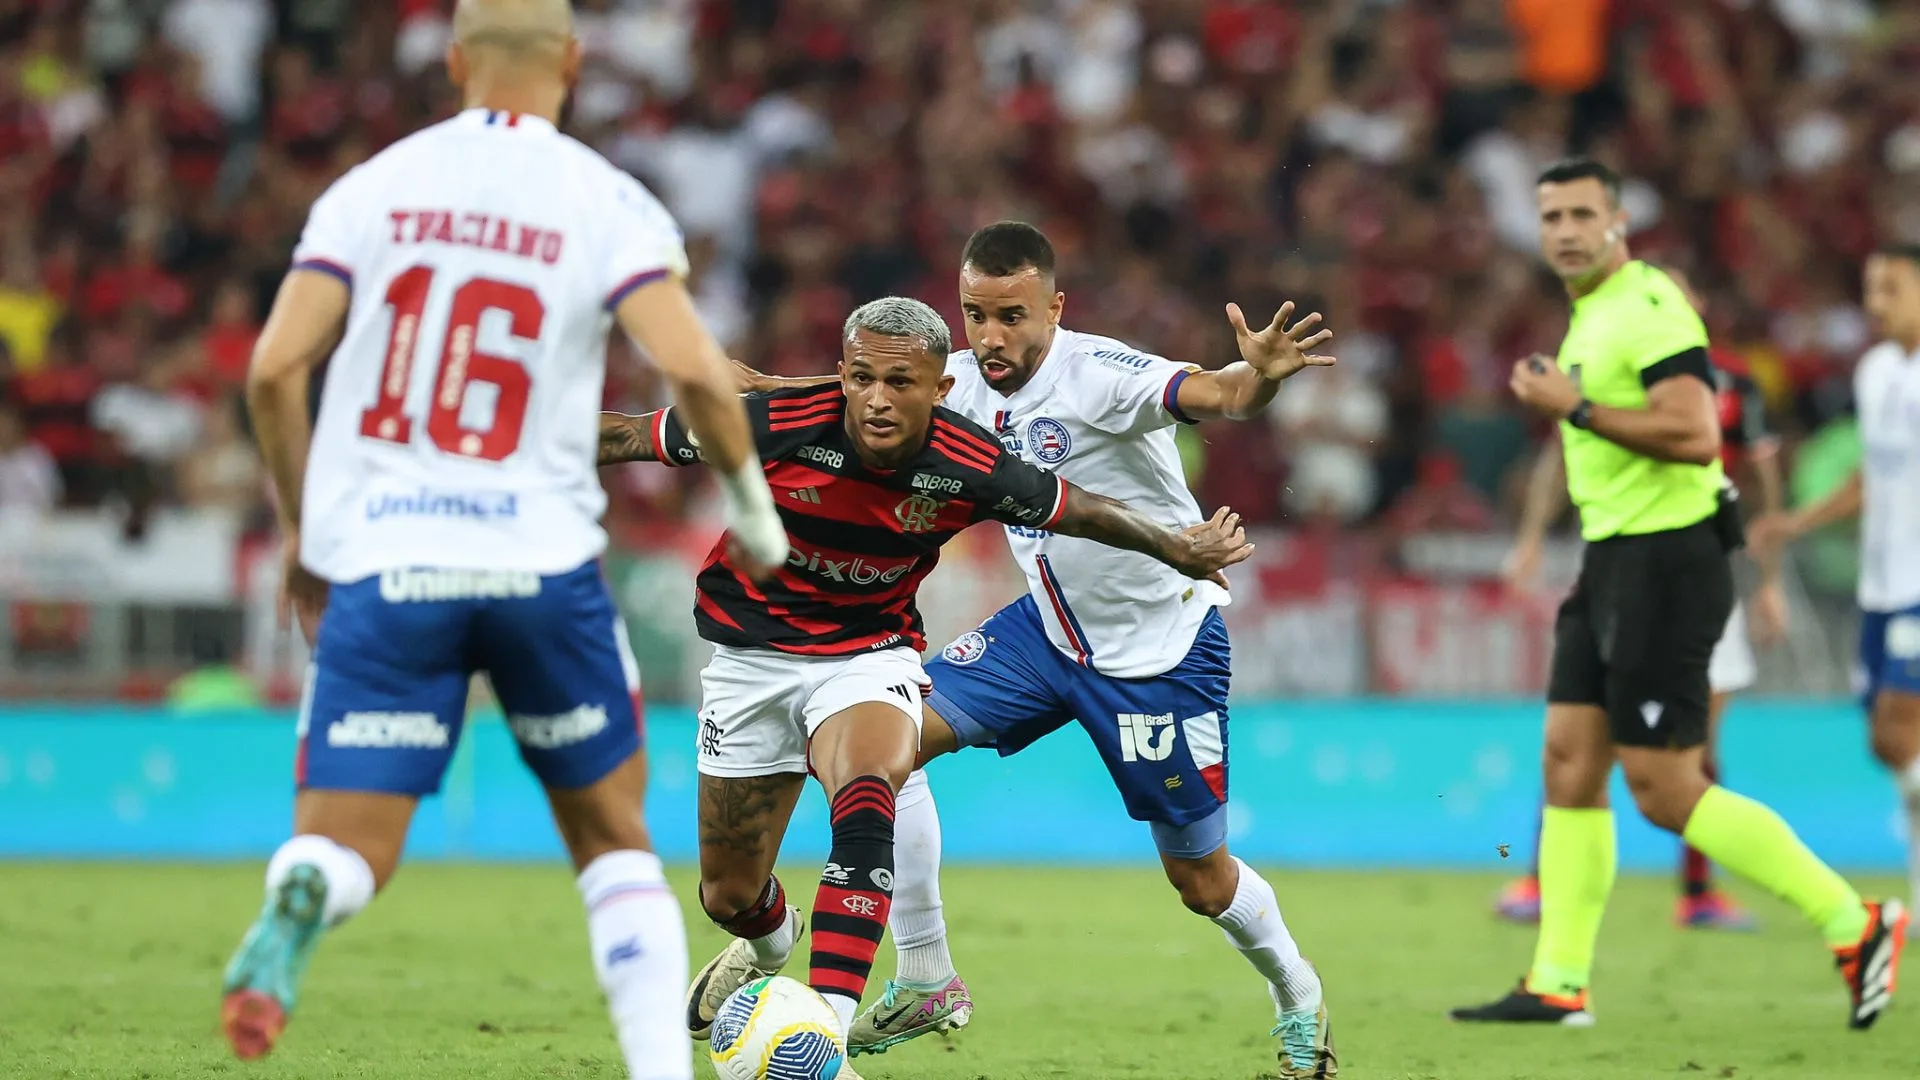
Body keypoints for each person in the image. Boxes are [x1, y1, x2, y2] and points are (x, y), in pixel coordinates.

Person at [218, 4, 789, 1079]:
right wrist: (753, 514)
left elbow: (273, 371)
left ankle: (308, 887)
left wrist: (306, 533)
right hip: (541, 565)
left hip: (389, 562)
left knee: (349, 840)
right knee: (614, 847)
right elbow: (702, 373)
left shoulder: (370, 190)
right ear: (573, 62)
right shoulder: (607, 199)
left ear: (452, 62)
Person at [737, 222, 1342, 1078]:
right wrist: (768, 387)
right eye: (976, 314)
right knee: (883, 746)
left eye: (1012, 316)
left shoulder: (1099, 373)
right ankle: (924, 973)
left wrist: (1260, 381)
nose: (991, 336)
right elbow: (885, 386)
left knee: (1202, 883)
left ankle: (1298, 993)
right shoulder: (966, 385)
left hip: (1156, 657)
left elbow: (1217, 394)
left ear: (1054, 308)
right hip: (1044, 636)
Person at [595, 296, 1255, 1068]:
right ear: (841, 376)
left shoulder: (968, 463)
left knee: (873, 781)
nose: (878, 398)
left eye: (901, 383)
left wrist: (1175, 547)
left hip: (868, 654)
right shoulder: (769, 423)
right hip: (749, 660)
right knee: (729, 895)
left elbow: (1081, 512)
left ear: (940, 389)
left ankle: (825, 1037)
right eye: (863, 378)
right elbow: (630, 436)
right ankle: (773, 940)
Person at [1450, 158, 1905, 1030]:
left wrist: (1575, 407)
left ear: (1620, 221)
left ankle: (1855, 920)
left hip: (1668, 563)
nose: (1567, 230)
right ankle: (1559, 981)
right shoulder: (1592, 317)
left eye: (1584, 213)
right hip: (1613, 560)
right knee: (1569, 765)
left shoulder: (1648, 304)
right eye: (1552, 217)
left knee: (1663, 787)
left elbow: (1698, 435)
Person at [1492, 262, 1791, 932]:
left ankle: (1699, 892)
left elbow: (1766, 483)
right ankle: (1543, 885)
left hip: (1697, 570)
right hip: (1619, 567)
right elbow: (1558, 458)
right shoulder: (1601, 375)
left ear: (1697, 308)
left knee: (1694, 748)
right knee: (1576, 739)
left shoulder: (1734, 383)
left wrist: (1769, 579)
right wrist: (1533, 538)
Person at [1753, 243, 1920, 938]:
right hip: (1879, 585)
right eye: (1870, 287)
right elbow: (1870, 480)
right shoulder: (1876, 371)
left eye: (1892, 287)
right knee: (1887, 746)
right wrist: (1797, 521)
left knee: (1898, 726)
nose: (1875, 302)